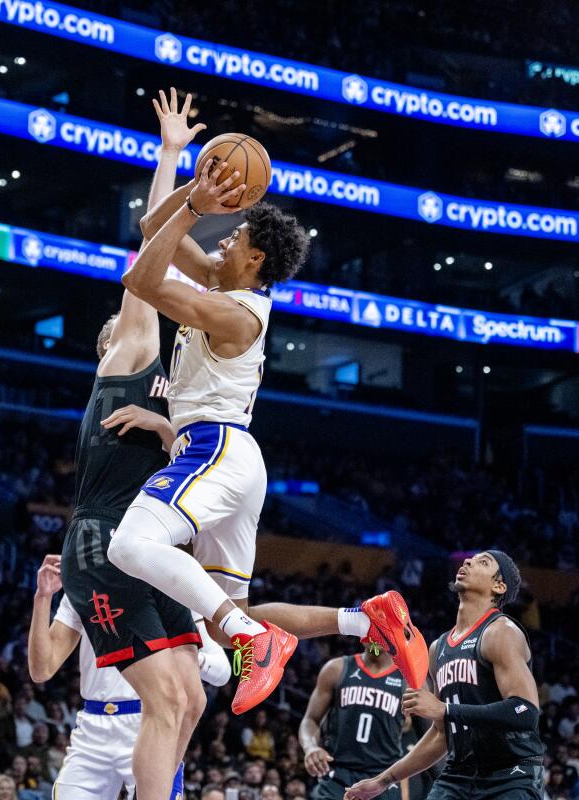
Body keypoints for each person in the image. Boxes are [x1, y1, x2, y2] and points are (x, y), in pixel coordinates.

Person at [109, 89, 426, 716]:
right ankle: (366, 621)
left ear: (254, 259)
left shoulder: (231, 310)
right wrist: (175, 161)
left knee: (129, 548)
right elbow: (153, 234)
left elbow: (140, 277)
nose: (222, 244)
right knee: (227, 614)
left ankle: (257, 640)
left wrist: (195, 207)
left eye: (233, 240)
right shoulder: (222, 285)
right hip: (233, 457)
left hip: (214, 449)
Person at [56, 88, 215, 800]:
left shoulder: (172, 396)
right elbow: (147, 261)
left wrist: (165, 428)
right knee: (165, 697)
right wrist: (173, 159)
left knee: (193, 698)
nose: (131, 326)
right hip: (101, 547)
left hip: (148, 551)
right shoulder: (127, 358)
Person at [347, 550, 545, 800]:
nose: (468, 561)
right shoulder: (438, 648)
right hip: (459, 774)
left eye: (483, 562)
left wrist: (445, 710)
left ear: (499, 585)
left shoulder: (501, 632)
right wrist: (384, 779)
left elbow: (526, 712)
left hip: (510, 774)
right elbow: (442, 734)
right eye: (469, 559)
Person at [30, 553, 230, 800]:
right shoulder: (85, 584)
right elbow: (42, 670)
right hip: (92, 728)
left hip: (150, 721)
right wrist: (43, 597)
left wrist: (187, 661)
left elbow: (222, 670)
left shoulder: (172, 585)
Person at [301, 647, 405, 800]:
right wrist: (310, 747)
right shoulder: (336, 669)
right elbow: (310, 719)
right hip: (338, 774)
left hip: (383, 778)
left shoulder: (409, 681)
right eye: (371, 624)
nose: (375, 633)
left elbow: (434, 733)